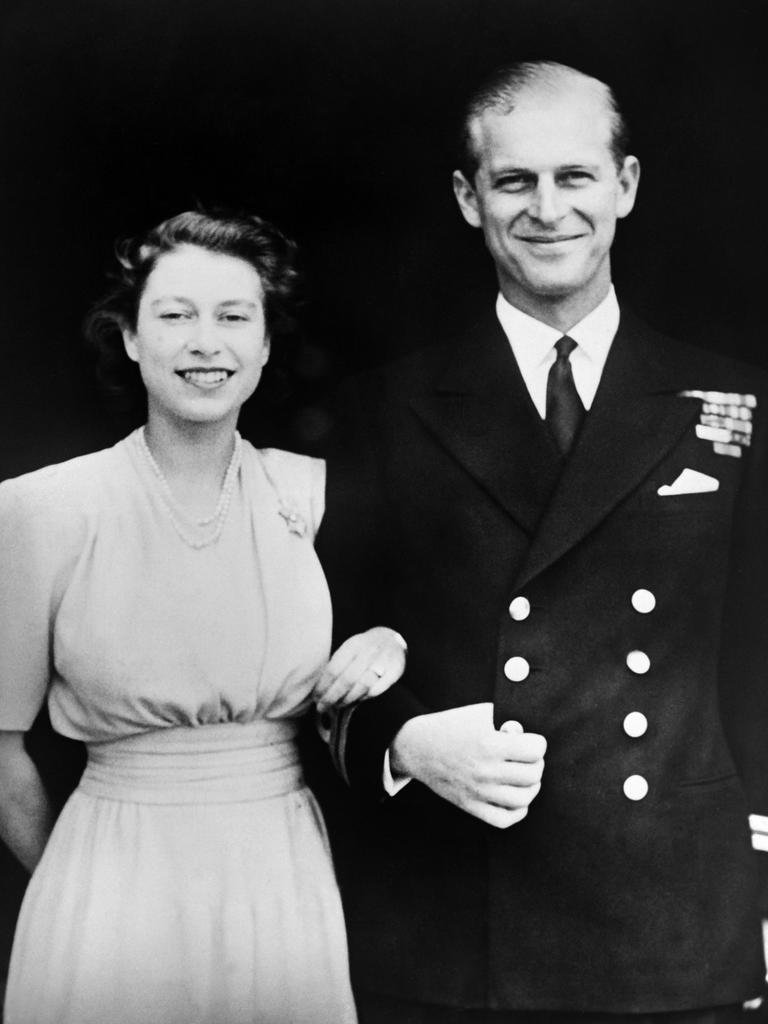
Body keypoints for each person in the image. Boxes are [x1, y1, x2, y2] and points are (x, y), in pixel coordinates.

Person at [316, 61, 768, 1022]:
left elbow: (761, 658)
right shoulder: (387, 406)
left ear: (626, 187)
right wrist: (400, 740)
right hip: (459, 919)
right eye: (514, 181)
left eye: (575, 177)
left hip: (673, 916)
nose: (547, 208)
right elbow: (317, 640)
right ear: (468, 199)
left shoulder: (733, 403)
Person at [0, 209, 408, 1024]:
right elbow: (2, 754)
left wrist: (386, 641)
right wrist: (78, 887)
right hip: (108, 875)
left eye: (232, 317)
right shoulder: (41, 510)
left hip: (280, 873)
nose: (204, 343)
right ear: (129, 337)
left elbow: (417, 629)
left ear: (263, 344)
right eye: (175, 315)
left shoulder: (316, 495)